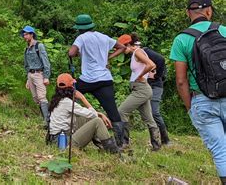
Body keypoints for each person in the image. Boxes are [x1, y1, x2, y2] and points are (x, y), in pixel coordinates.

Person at [170, 0, 226, 183]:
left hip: (203, 101)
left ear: (188, 13)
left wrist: (190, 107)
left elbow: (180, 80)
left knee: (220, 149)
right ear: (209, 11)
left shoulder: (181, 39)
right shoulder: (224, 31)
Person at [68, 14, 126, 147]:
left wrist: (77, 52)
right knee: (113, 112)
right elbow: (122, 47)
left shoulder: (81, 37)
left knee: (67, 93)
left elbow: (71, 53)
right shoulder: (103, 37)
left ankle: (59, 122)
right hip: (105, 79)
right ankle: (121, 143)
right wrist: (108, 58)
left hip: (88, 79)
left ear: (79, 28)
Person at [48, 73, 119, 154]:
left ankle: (102, 146)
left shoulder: (58, 100)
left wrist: (99, 114)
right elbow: (92, 114)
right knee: (97, 121)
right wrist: (82, 98)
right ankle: (113, 152)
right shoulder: (67, 102)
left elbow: (86, 113)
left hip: (56, 139)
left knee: (86, 118)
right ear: (71, 87)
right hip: (64, 143)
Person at [117, 34, 161, 151]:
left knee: (122, 111)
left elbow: (151, 64)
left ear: (127, 45)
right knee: (148, 118)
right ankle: (156, 145)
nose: (120, 50)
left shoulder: (137, 52)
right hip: (141, 89)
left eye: (121, 47)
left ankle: (123, 142)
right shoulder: (136, 53)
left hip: (141, 89)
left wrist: (140, 75)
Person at [20, 25, 51, 126]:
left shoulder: (39, 46)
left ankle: (47, 121)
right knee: (36, 98)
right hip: (30, 74)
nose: (24, 36)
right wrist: (27, 79)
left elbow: (46, 61)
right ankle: (44, 118)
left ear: (31, 34)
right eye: (24, 34)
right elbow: (26, 65)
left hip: (39, 74)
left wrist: (46, 76)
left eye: (26, 34)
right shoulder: (27, 49)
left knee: (42, 97)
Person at [143, 41, 171, 145]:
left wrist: (156, 75)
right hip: (145, 86)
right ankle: (155, 139)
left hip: (155, 85)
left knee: (154, 112)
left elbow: (161, 59)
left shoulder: (145, 51)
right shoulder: (134, 56)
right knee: (147, 114)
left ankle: (165, 139)